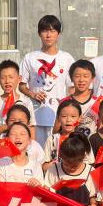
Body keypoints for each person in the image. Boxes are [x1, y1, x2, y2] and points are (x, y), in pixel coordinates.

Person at [19, 15, 75, 147]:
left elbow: (72, 87)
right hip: (36, 115)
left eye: (52, 31)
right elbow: (21, 85)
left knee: (56, 150)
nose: (48, 35)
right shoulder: (30, 58)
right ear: (39, 33)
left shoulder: (66, 58)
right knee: (36, 150)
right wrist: (33, 94)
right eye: (45, 31)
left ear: (58, 33)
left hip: (59, 116)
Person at [0, 60, 34, 135]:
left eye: (11, 77)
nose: (7, 81)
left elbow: (31, 129)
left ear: (19, 78)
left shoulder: (26, 102)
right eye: (3, 78)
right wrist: (6, 126)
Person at [43, 99, 87, 171]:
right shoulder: (52, 139)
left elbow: (89, 163)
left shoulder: (83, 139)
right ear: (58, 118)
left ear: (79, 118)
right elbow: (44, 166)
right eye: (64, 116)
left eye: (73, 116)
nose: (68, 120)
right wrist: (53, 166)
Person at [68, 59, 102, 134]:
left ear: (92, 78)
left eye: (86, 76)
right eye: (77, 76)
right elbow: (57, 130)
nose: (81, 80)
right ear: (71, 78)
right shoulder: (65, 102)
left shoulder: (99, 103)